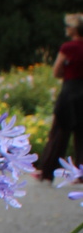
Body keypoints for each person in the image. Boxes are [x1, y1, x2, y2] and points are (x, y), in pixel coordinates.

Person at [37, 13, 83, 179]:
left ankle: (47, 171)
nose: (66, 29)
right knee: (81, 135)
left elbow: (57, 70)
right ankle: (81, 174)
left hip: (70, 91)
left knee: (59, 133)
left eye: (68, 26)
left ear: (75, 29)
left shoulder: (68, 48)